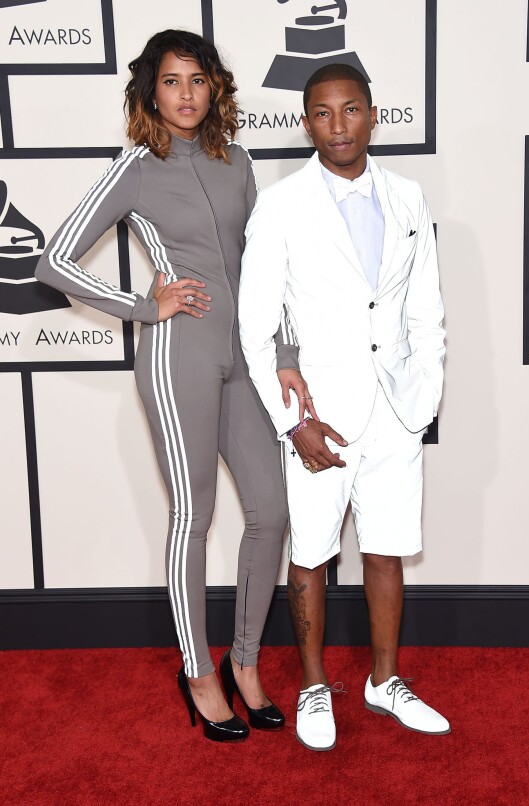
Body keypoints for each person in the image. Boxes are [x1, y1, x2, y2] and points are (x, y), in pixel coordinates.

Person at [35, 29, 314, 743]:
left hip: (246, 360)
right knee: (194, 515)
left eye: (197, 80)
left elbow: (264, 269)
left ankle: (245, 662)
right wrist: (140, 305)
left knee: (272, 513)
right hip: (177, 356)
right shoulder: (135, 166)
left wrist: (284, 351)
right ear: (148, 92)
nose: (186, 94)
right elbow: (53, 261)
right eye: (171, 81)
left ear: (214, 87)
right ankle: (198, 673)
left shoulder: (238, 161)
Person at [239, 63, 450, 751]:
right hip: (318, 415)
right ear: (307, 123)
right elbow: (255, 325)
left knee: (387, 551)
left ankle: (384, 683)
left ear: (372, 115)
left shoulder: (409, 198)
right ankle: (312, 687)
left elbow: (426, 309)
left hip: (395, 410)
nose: (338, 125)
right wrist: (292, 421)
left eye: (351, 109)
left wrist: (423, 394)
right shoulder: (282, 205)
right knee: (311, 558)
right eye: (323, 113)